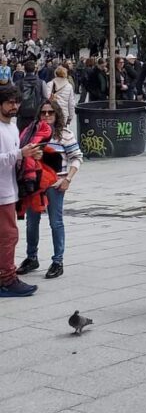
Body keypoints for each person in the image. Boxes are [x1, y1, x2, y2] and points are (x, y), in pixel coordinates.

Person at [18, 97, 82, 280]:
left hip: (55, 185)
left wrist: (67, 179)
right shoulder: (32, 134)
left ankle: (58, 261)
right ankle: (31, 258)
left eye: (50, 112)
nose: (46, 115)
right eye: (43, 112)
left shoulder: (64, 134)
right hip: (34, 185)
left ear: (56, 114)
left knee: (56, 222)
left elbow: (77, 157)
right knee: (31, 223)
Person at [0, 84, 44, 297]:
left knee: (8, 236)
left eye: (17, 102)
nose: (14, 106)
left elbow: (15, 158)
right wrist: (19, 154)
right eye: (9, 103)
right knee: (8, 236)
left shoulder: (12, 127)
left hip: (9, 189)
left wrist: (28, 156)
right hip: (1, 193)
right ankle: (6, 279)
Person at [17, 60, 45, 134]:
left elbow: (16, 99)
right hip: (36, 114)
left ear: (24, 70)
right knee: (36, 137)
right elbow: (45, 98)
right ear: (35, 69)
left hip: (22, 115)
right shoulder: (41, 82)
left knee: (22, 137)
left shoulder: (19, 83)